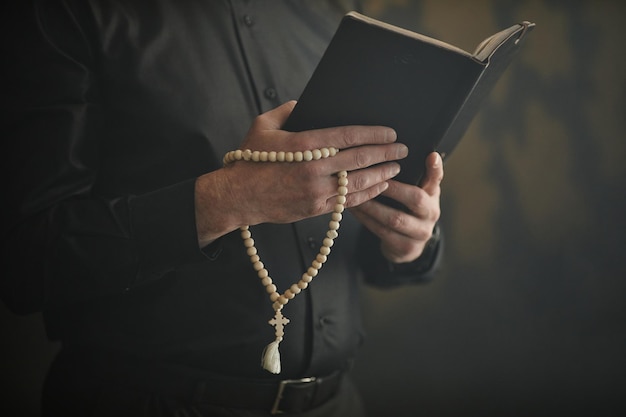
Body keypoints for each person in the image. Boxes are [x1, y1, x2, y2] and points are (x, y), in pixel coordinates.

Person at [2, 1, 443, 416]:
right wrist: (230, 199)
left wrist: (410, 240)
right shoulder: (65, 12)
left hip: (339, 401)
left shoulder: (334, 12)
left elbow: (356, 233)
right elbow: (25, 258)